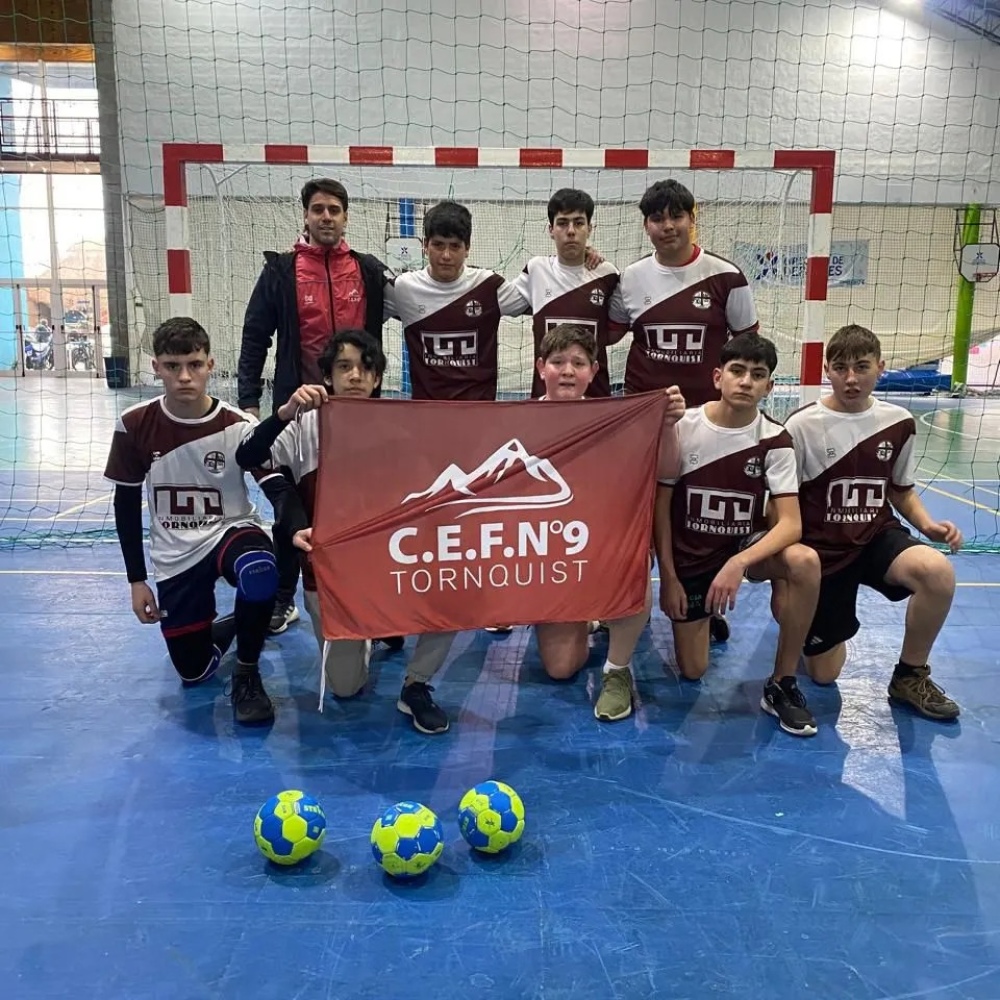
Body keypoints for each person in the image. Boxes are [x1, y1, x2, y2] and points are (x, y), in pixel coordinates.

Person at [234, 329, 457, 735]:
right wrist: (283, 413)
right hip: (330, 578)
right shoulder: (303, 427)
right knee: (346, 688)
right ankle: (370, 630)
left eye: (365, 368)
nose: (355, 375)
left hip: (392, 569)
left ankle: (417, 685)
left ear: (376, 380)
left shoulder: (402, 432)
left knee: (456, 592)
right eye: (344, 367)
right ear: (328, 377)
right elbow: (246, 455)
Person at [237, 178, 394, 637]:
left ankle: (376, 596)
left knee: (365, 503)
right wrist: (250, 400)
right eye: (318, 209)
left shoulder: (367, 270)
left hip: (357, 409)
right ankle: (285, 598)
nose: (326, 217)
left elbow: (420, 301)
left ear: (346, 217)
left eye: (335, 210)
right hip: (297, 408)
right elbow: (255, 333)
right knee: (292, 507)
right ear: (305, 215)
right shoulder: (282, 271)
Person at [781, 324, 962, 720]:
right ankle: (810, 616)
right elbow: (783, 501)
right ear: (826, 368)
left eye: (861, 367)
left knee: (937, 573)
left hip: (876, 536)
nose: (851, 378)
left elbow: (900, 490)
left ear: (880, 368)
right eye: (841, 367)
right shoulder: (801, 425)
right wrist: (786, 570)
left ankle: (909, 675)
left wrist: (927, 525)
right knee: (825, 675)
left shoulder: (898, 422)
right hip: (822, 550)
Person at [104, 317, 277, 725]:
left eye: (194, 365)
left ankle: (248, 674)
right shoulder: (134, 424)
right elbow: (125, 504)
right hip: (175, 552)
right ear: (156, 367)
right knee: (193, 672)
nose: (185, 376)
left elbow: (274, 484)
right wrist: (136, 580)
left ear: (211, 364)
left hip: (228, 532)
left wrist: (297, 525)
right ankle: (241, 619)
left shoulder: (237, 426)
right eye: (172, 366)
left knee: (259, 569)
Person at [609, 177, 760, 646]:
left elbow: (748, 348)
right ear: (646, 225)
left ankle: (702, 599)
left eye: (677, 216)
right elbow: (607, 333)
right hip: (643, 422)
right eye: (658, 218)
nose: (668, 226)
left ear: (693, 219)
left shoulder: (727, 277)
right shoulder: (630, 279)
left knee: (695, 516)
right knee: (631, 516)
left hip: (704, 426)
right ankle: (614, 603)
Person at [654, 333, 822, 737]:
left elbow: (791, 524)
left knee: (804, 561)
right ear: (718, 377)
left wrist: (739, 562)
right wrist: (669, 579)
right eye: (738, 371)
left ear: (770, 387)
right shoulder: (684, 427)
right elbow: (660, 509)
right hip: (691, 556)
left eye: (758, 374)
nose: (746, 381)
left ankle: (782, 683)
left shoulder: (776, 439)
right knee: (693, 671)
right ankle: (706, 612)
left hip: (742, 549)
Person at [528, 323, 684, 717]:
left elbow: (667, 469)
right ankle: (587, 618)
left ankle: (617, 669)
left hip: (600, 547)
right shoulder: (518, 421)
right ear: (539, 366)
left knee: (634, 551)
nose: (567, 371)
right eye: (558, 362)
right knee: (561, 669)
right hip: (548, 555)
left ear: (594, 371)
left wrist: (666, 425)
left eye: (578, 363)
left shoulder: (617, 417)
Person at [383, 199, 529, 401]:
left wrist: (580, 261)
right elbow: (362, 308)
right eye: (438, 245)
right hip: (426, 415)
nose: (446, 255)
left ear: (467, 248)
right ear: (425, 245)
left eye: (455, 246)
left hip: (480, 415)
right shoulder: (404, 288)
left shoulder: (488, 286)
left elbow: (543, 294)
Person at [512, 188, 622, 399]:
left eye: (579, 223)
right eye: (562, 223)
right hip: (545, 401)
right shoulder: (536, 270)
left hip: (597, 401)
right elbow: (497, 300)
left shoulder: (607, 274)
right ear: (550, 229)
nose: (571, 231)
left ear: (590, 228)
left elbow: (618, 328)